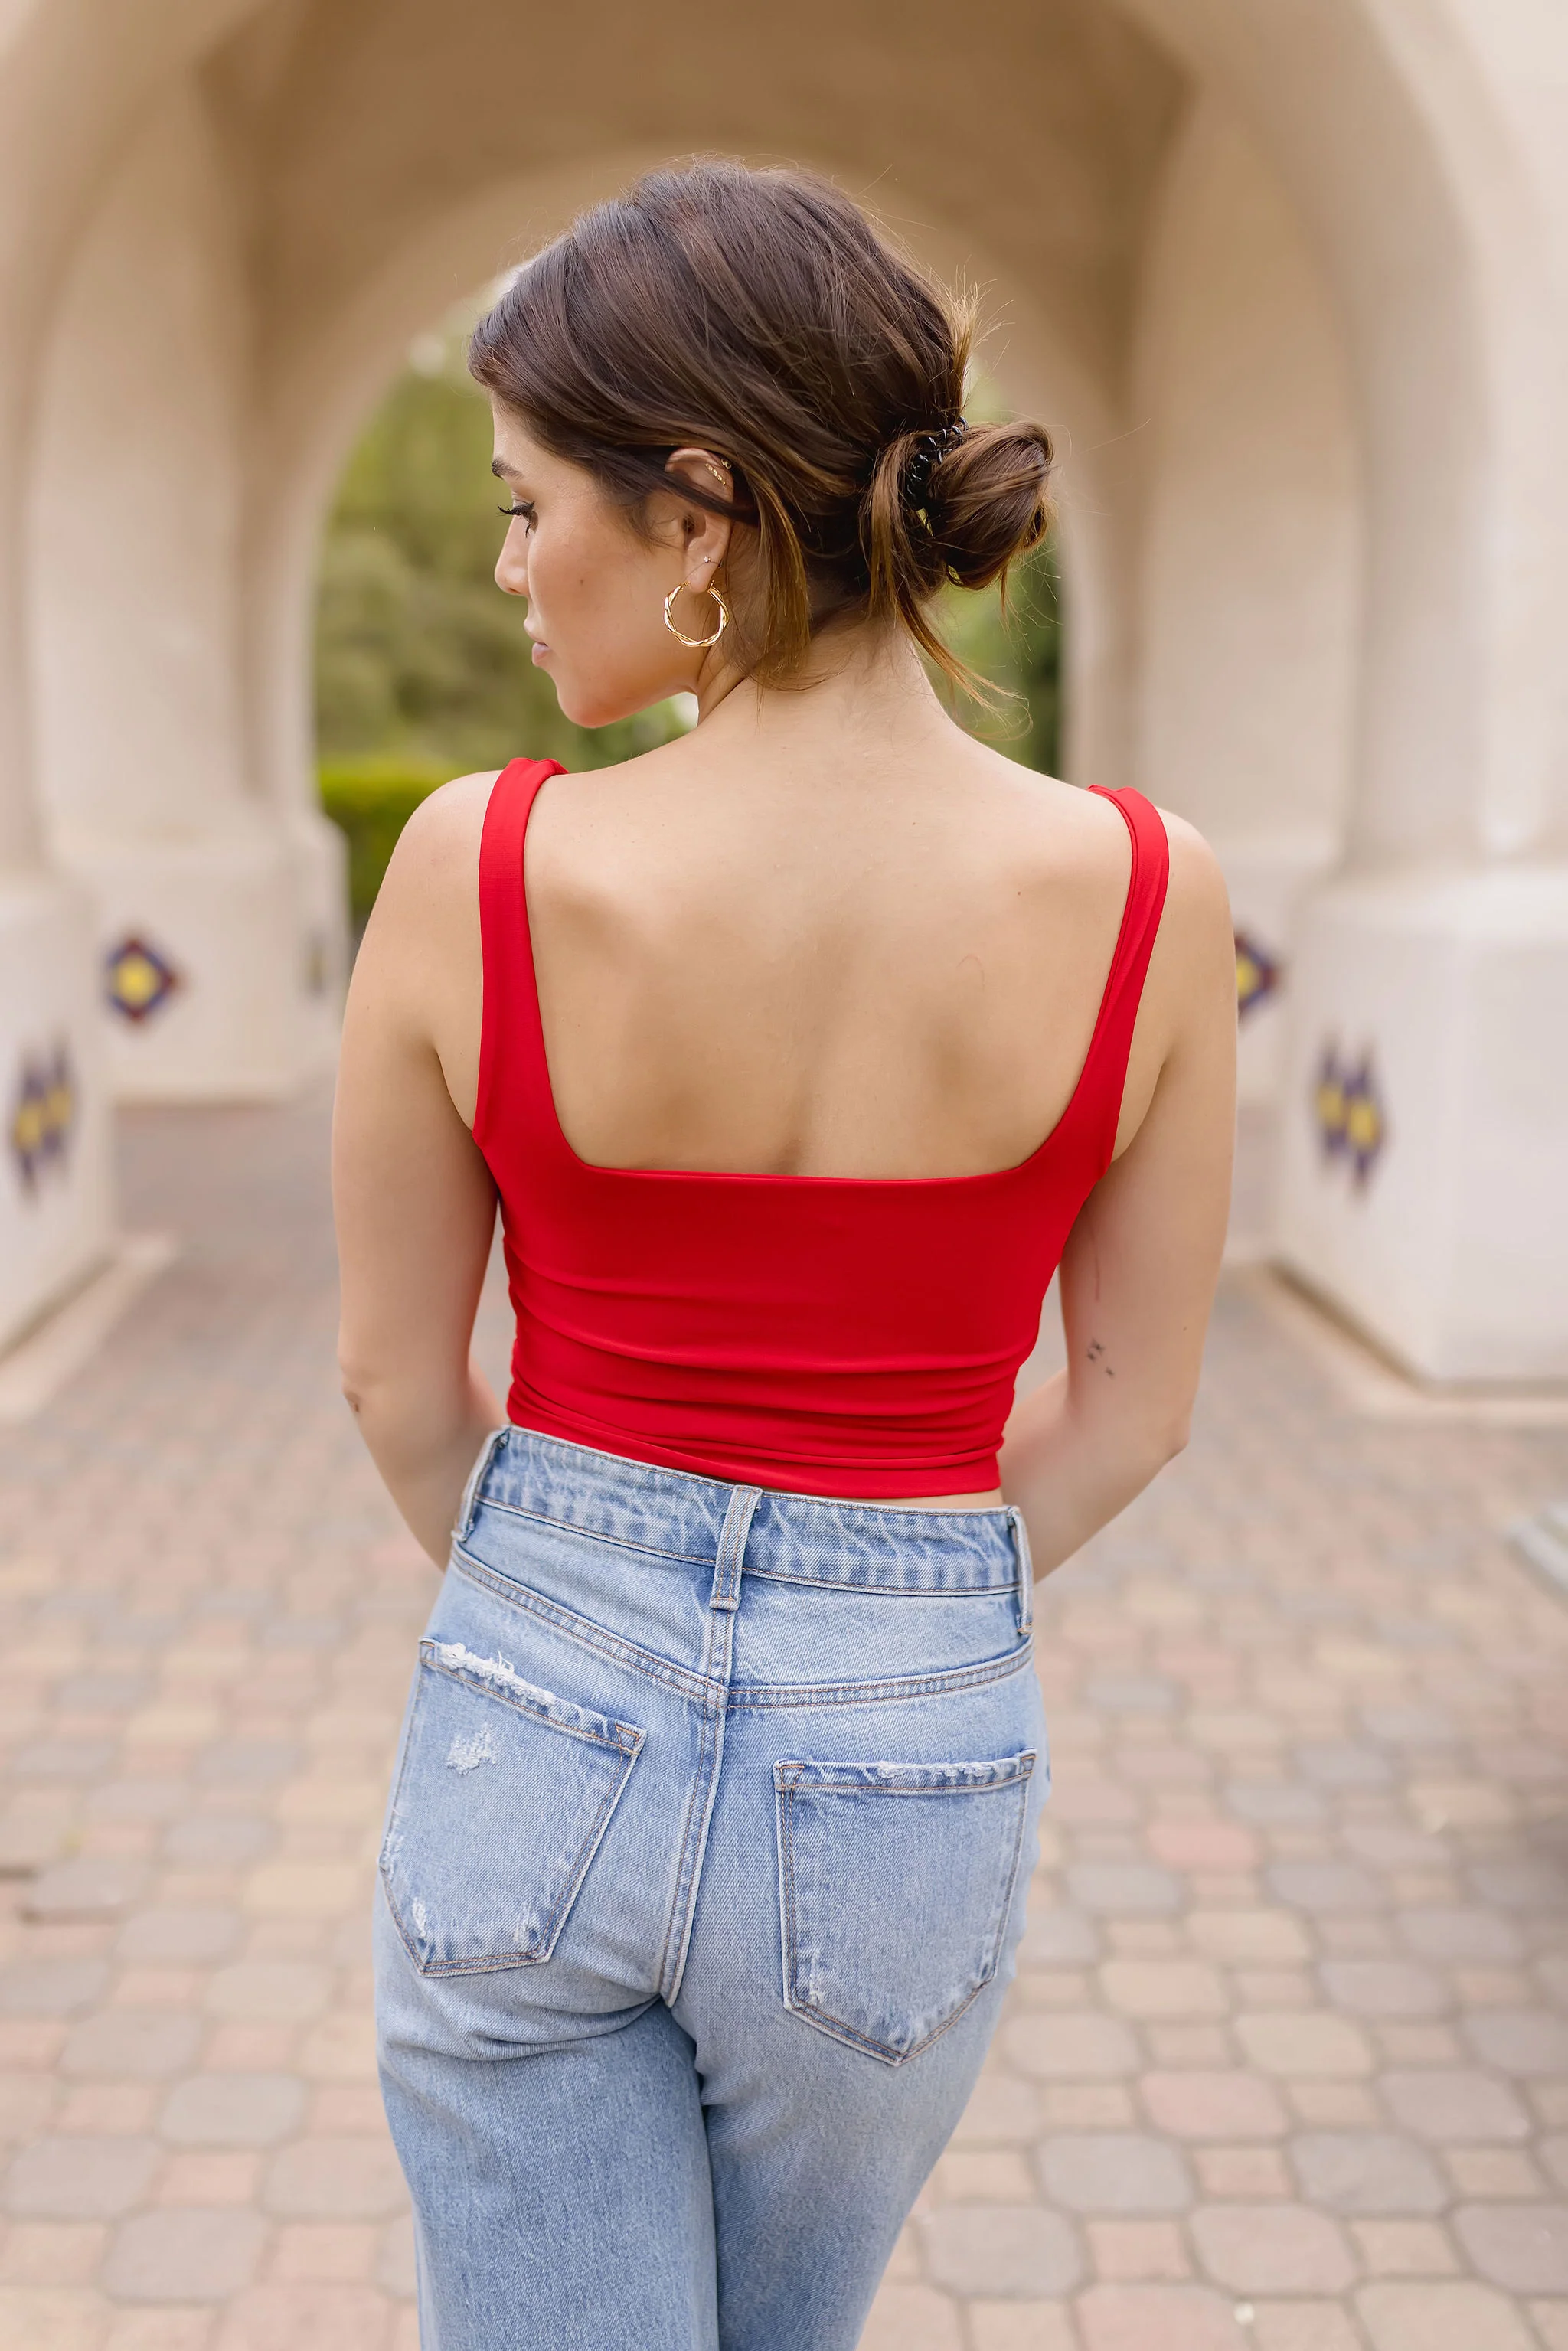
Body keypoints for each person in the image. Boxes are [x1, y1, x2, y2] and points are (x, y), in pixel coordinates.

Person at [333, 159, 1235, 2351]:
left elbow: (396, 1384)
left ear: (702, 513)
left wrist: (590, 1594)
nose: (512, 565)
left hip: (544, 1690)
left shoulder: (483, 864)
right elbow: (1134, 1414)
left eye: (533, 504)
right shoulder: (1147, 893)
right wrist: (876, 1600)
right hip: (907, 1750)